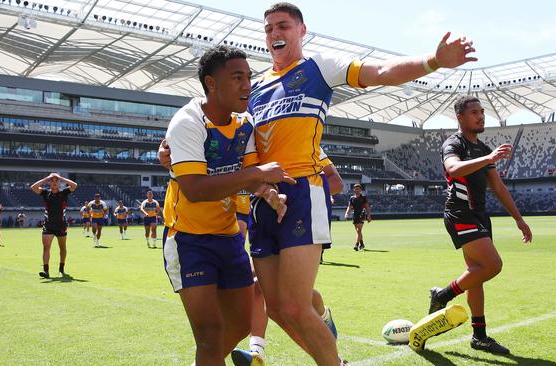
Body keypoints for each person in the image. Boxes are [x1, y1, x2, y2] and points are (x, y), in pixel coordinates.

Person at [246, 3, 477, 364]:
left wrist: (432, 61)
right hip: (263, 201)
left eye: (283, 26)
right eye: (268, 28)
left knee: (294, 304)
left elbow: (381, 71)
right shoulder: (255, 87)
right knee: (276, 308)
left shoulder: (318, 67)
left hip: (302, 192)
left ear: (301, 31)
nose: (274, 33)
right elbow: (241, 146)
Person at [162, 45, 294, 366]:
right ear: (211, 83)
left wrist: (267, 192)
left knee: (238, 327)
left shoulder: (244, 124)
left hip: (229, 238)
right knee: (209, 334)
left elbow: (248, 179)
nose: (246, 85)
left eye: (248, 77)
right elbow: (193, 189)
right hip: (189, 239)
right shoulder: (188, 122)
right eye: (237, 77)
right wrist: (258, 174)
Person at [428, 95, 532, 355]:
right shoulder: (453, 143)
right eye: (474, 112)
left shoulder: (484, 149)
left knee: (476, 274)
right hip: (460, 213)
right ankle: (442, 295)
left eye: (482, 111)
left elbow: (497, 186)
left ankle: (479, 336)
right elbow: (453, 169)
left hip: (480, 215)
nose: (480, 116)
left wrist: (518, 219)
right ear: (460, 118)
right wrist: (489, 159)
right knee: (492, 265)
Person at [232, 157, 344, 366]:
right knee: (266, 292)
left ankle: (323, 321)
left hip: (300, 217)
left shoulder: (302, 139)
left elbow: (335, 181)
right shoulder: (251, 142)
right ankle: (256, 351)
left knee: (294, 300)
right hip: (263, 219)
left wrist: (313, 193)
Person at [30, 173, 78, 278]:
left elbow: (74, 185)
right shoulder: (45, 193)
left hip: (61, 225)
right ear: (49, 183)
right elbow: (33, 187)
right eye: (52, 180)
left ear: (59, 182)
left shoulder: (64, 193)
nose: (55, 182)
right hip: (48, 225)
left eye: (56, 181)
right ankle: (46, 271)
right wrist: (47, 178)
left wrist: (60, 177)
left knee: (62, 248)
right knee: (46, 248)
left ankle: (61, 269)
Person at [344, 184, 371, 251]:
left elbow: (367, 206)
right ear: (354, 190)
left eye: (358, 189)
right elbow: (349, 206)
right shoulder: (352, 198)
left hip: (361, 214)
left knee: (359, 230)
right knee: (358, 231)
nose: (357, 190)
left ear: (361, 190)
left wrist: (368, 215)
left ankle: (356, 245)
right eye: (356, 189)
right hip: (355, 215)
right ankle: (362, 244)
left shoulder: (364, 197)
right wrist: (347, 213)